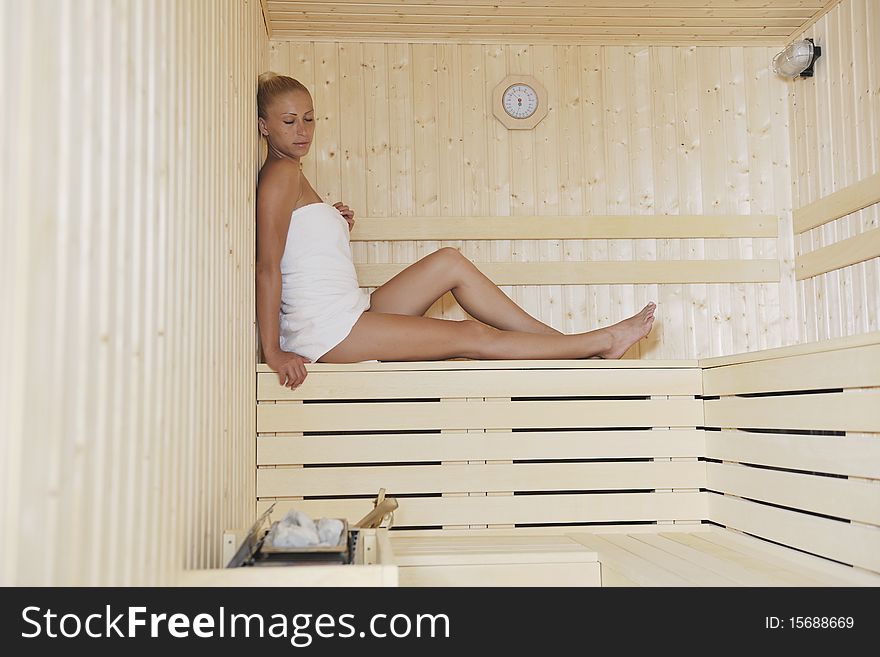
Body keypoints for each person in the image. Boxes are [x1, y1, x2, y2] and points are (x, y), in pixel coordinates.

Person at [256, 72, 656, 391]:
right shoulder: (280, 175)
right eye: (289, 121)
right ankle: (598, 343)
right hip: (329, 333)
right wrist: (273, 351)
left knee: (450, 262)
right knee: (471, 334)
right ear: (264, 126)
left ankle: (562, 348)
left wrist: (332, 220)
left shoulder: (292, 174)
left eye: (309, 119)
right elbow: (268, 267)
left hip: (350, 311)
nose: (302, 130)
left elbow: (299, 245)